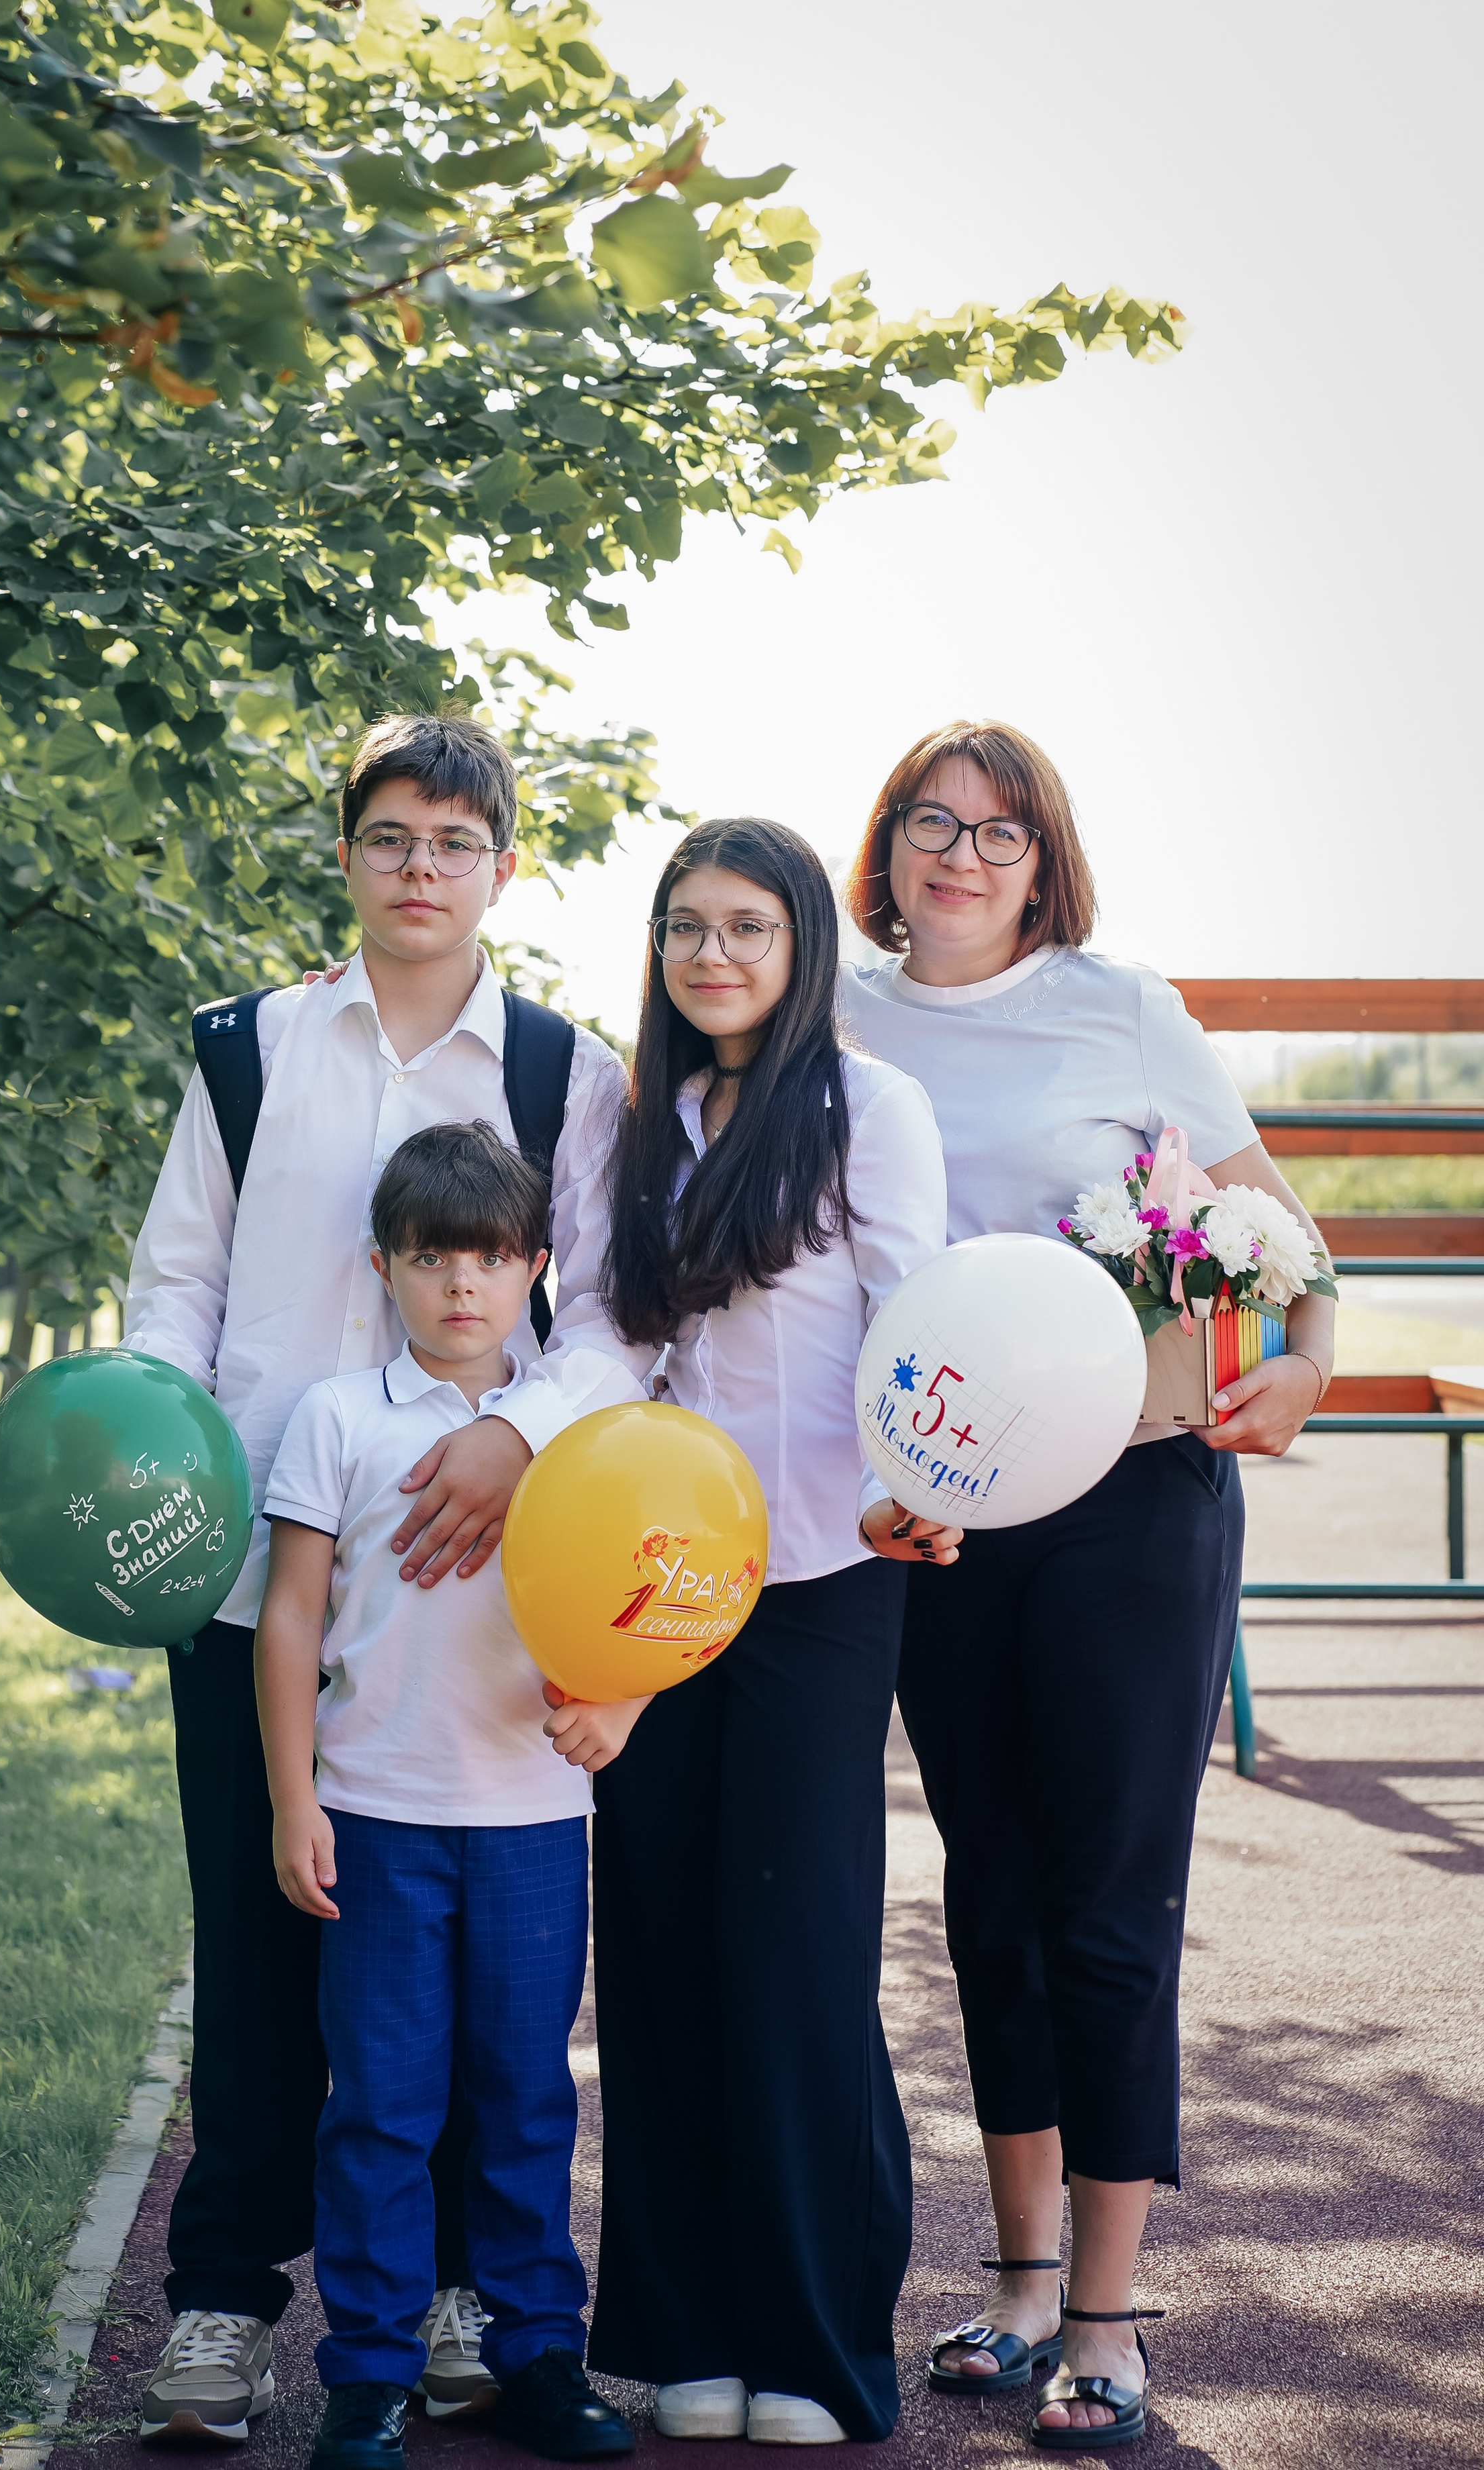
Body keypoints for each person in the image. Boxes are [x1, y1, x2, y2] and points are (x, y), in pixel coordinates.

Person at [123, 713, 636, 2447]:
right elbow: (172, 1291)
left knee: (483, 2009)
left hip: (477, 1593)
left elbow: (621, 1322)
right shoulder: (249, 1053)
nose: (422, 868)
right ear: (347, 853)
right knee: (269, 1949)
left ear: (506, 869)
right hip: (255, 1578)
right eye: (392, 836)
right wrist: (178, 1479)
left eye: (456, 841)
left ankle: (457, 2307)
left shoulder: (568, 1071)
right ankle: (217, 2309)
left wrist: (525, 1433)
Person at [842, 719, 1336, 2451]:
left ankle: (1113, 2319)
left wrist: (1306, 1358)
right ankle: (1018, 2282)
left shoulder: (1119, 1008)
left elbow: (1278, 1222)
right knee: (991, 1895)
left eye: (999, 833)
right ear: (886, 847)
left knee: (1108, 1906)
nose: (962, 856)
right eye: (930, 824)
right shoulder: (834, 1010)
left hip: (1136, 1505)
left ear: (1043, 862)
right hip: (946, 1517)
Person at [581, 818, 955, 2447]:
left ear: (800, 944)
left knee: (790, 1956)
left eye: (744, 927)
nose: (711, 956)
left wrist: (912, 1485)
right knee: (657, 1949)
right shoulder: (635, 1113)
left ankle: (812, 2345)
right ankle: (686, 2330)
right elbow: (605, 1334)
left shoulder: (872, 1108)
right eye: (684, 928)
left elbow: (916, 1318)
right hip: (658, 1580)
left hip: (820, 1573)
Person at [256, 1123, 640, 2470]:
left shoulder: (577, 1427)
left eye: (487, 1260)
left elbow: (656, 1585)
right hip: (373, 1818)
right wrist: (291, 1798)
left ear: (535, 1267)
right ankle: (367, 2378)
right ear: (384, 1267)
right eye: (431, 1260)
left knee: (524, 2098)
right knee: (379, 2105)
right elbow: (292, 1619)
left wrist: (623, 1704)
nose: (460, 1288)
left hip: (533, 1821)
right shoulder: (336, 1418)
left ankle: (537, 2354)